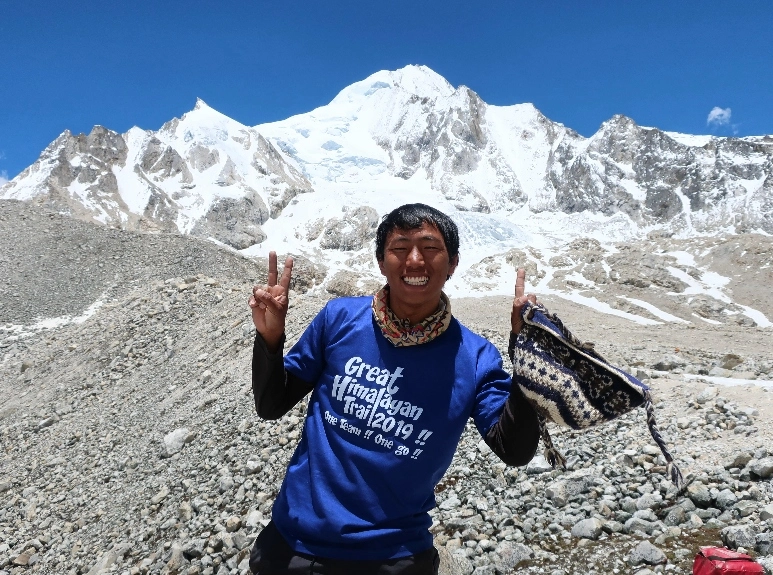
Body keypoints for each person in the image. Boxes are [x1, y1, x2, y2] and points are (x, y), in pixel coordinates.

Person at [247, 203, 540, 575]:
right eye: (400, 248)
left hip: (395, 554)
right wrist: (270, 340)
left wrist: (528, 359)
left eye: (430, 248)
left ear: (452, 264)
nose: (414, 260)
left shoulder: (475, 357)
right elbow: (271, 403)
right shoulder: (338, 320)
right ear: (381, 262)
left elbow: (514, 449)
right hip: (293, 546)